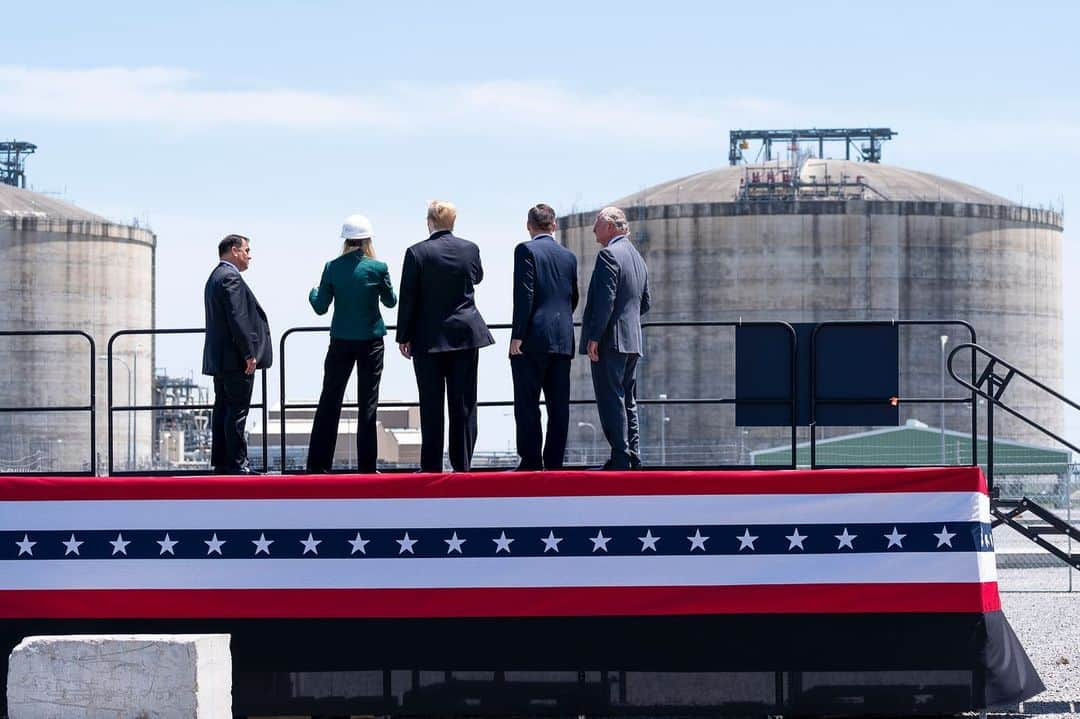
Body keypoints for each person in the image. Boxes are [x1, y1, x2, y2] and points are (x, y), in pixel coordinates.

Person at [396, 200, 494, 472]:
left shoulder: (416, 253)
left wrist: (403, 335)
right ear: (453, 222)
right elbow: (477, 277)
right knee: (463, 402)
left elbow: (408, 297)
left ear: (429, 222)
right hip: (465, 334)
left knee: (431, 402)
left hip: (428, 337)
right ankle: (462, 464)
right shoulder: (470, 249)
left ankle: (430, 466)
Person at [305, 214, 397, 473]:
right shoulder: (378, 268)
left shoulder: (332, 267)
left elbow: (320, 307)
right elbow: (391, 302)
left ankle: (318, 465)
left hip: (341, 341)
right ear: (368, 239)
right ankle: (367, 466)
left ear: (345, 240)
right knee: (368, 403)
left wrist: (313, 292)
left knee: (330, 400)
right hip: (371, 341)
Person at [579, 206, 651, 470]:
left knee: (611, 398)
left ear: (610, 226)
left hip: (611, 340)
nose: (593, 229)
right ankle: (634, 455)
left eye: (597, 223)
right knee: (628, 400)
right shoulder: (637, 258)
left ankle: (620, 458)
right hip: (632, 340)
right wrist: (627, 320)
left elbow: (605, 301)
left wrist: (594, 337)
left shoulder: (609, 255)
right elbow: (645, 303)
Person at [509, 203, 579, 470]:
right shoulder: (569, 256)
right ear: (554, 225)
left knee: (527, 403)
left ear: (529, 226)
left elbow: (524, 295)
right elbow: (573, 297)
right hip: (562, 339)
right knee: (558, 406)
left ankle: (531, 461)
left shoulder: (525, 250)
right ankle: (554, 463)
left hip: (532, 338)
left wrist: (518, 335)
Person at [202, 234, 272, 474]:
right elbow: (237, 317)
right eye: (247, 250)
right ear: (234, 250)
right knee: (237, 411)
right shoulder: (231, 277)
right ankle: (237, 464)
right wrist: (248, 353)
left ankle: (222, 462)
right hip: (234, 359)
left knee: (222, 409)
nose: (249, 255)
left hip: (220, 358)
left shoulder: (215, 276)